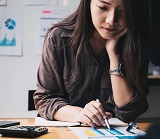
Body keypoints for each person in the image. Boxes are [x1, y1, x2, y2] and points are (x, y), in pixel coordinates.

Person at [33, 0, 151, 128]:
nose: (111, 20)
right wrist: (81, 114)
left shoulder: (137, 43)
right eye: (103, 7)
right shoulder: (59, 38)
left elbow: (129, 112)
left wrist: (114, 55)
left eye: (123, 11)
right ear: (88, 3)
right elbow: (44, 99)